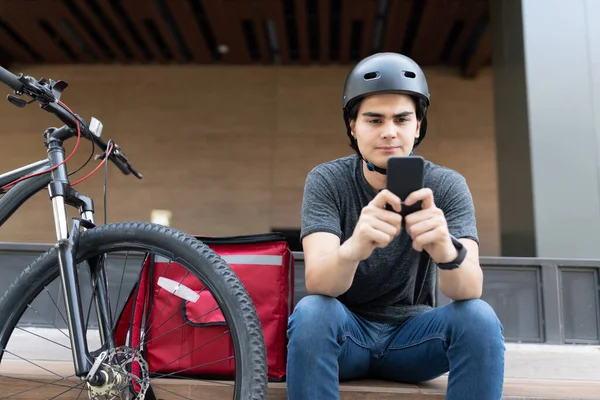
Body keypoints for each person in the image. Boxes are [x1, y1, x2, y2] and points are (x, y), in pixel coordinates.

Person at [286, 52, 505, 400]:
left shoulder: (446, 185)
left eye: (402, 119)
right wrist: (354, 247)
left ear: (417, 126)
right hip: (347, 337)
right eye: (374, 120)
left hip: (416, 340)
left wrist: (447, 252)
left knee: (478, 317)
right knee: (313, 312)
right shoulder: (327, 180)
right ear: (352, 126)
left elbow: (469, 288)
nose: (389, 133)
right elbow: (318, 282)